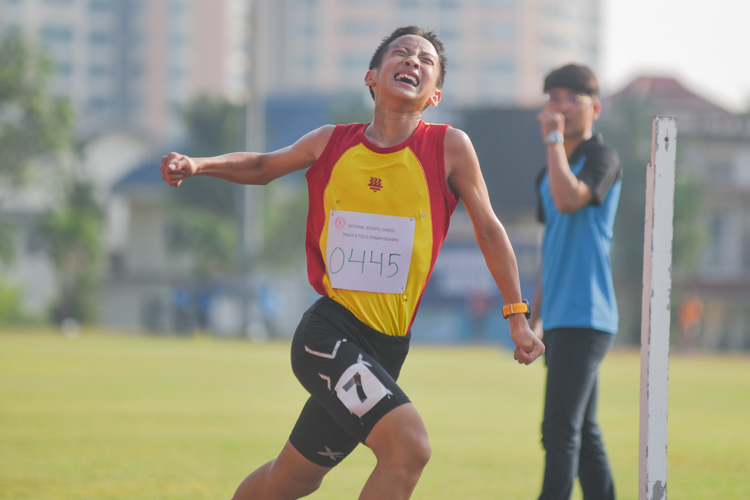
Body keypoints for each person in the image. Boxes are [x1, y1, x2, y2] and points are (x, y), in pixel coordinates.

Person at [161, 26, 544, 500]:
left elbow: (489, 230)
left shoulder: (449, 147)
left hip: (386, 349)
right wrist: (199, 165)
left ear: (435, 95)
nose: (412, 62)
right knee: (409, 448)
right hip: (328, 336)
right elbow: (262, 167)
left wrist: (517, 315)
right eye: (401, 54)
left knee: (291, 479)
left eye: (425, 61)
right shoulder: (331, 142)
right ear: (371, 76)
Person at [529, 63, 622, 500]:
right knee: (583, 431)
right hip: (561, 317)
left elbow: (569, 201)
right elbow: (553, 248)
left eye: (572, 98)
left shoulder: (602, 158)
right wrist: (534, 318)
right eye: (554, 97)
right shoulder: (547, 170)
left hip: (588, 314)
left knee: (559, 430)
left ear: (595, 108)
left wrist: (553, 139)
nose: (561, 107)